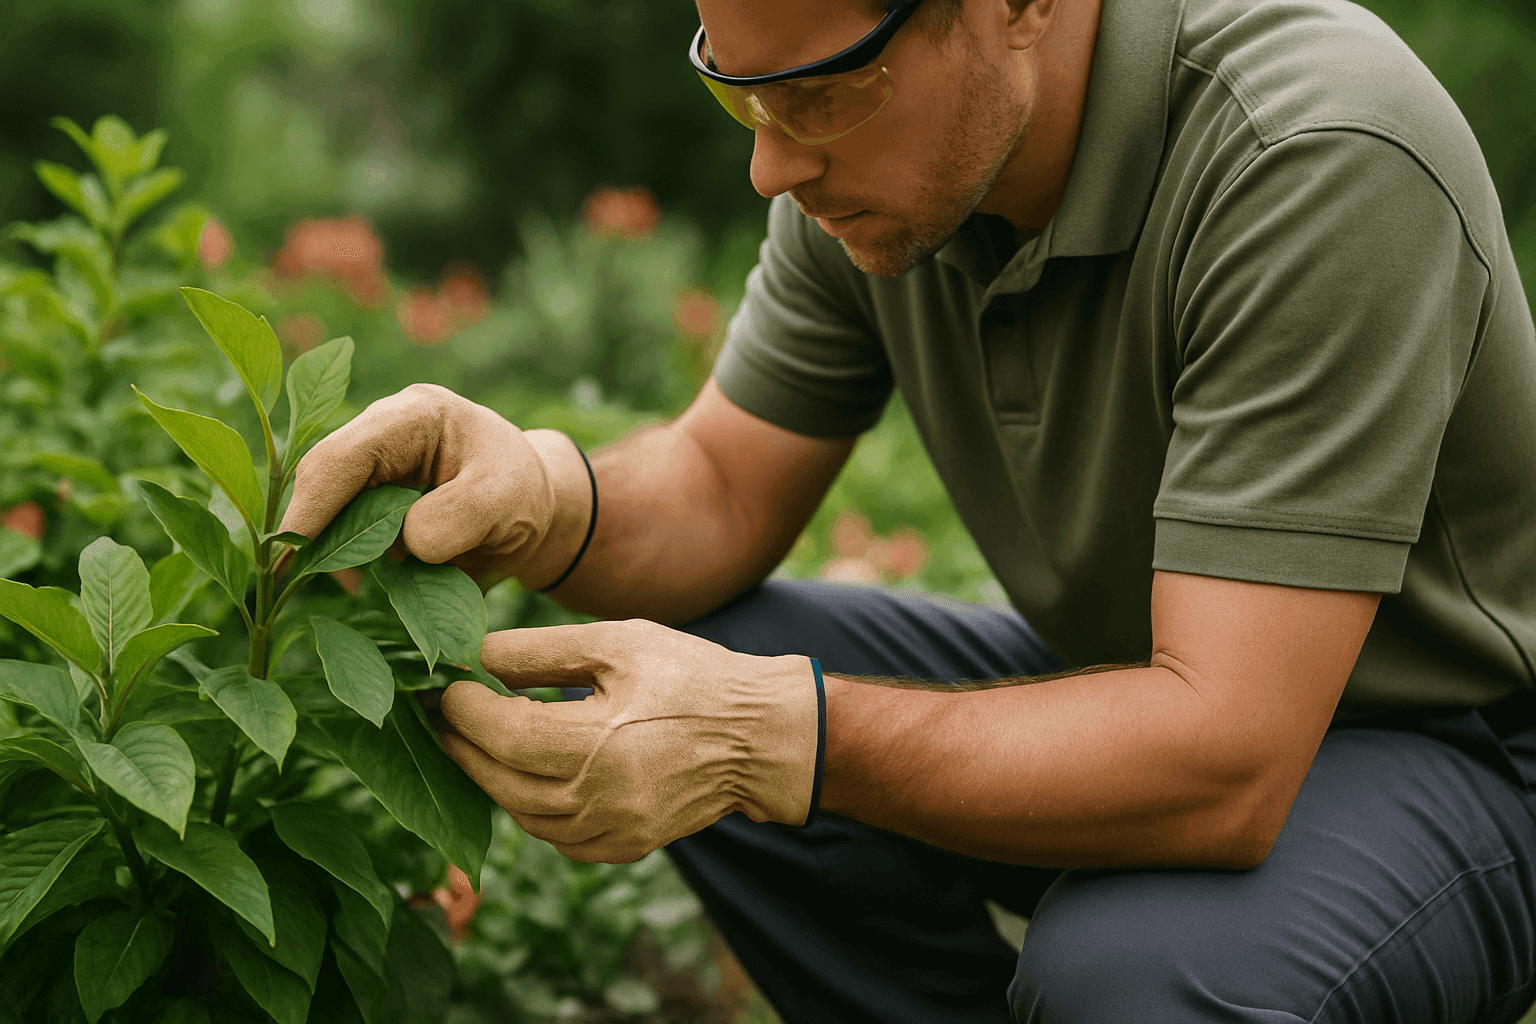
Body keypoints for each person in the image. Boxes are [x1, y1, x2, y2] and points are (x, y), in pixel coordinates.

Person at [279, 0, 1536, 1018]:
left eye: (816, 96)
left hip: (1459, 740)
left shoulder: (1310, 155)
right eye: (742, 92)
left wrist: (761, 737)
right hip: (1157, 680)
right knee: (710, 664)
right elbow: (720, 487)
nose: (772, 164)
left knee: (1136, 975)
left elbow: (1224, 760)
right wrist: (543, 494)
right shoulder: (886, 177)